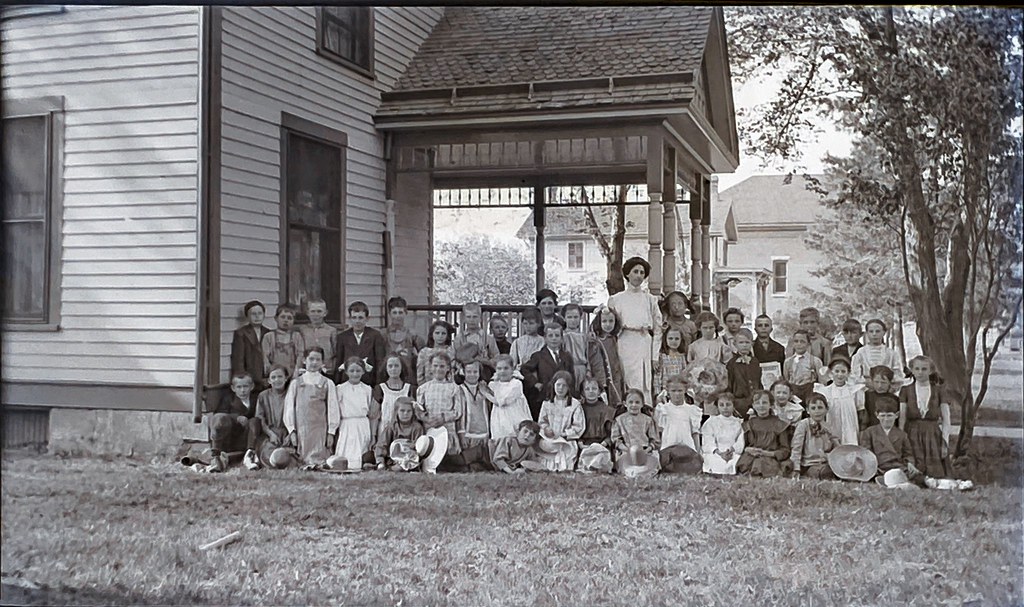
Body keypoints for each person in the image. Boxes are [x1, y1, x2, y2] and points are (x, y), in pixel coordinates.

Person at [606, 257, 663, 406]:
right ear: (627, 274)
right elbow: (610, 327)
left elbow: (658, 329)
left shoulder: (650, 299)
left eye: (642, 273)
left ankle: (645, 412)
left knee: (644, 381)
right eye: (635, 271)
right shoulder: (616, 299)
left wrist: (655, 356)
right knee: (626, 378)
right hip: (624, 341)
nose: (638, 275)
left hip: (644, 341)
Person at [283, 347, 339, 467]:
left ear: (322, 362)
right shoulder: (296, 383)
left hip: (319, 427)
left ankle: (318, 464)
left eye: (318, 359)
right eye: (311, 359)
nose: (314, 362)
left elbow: (333, 408)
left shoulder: (327, 383)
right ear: (304, 360)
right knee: (301, 454)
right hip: (302, 427)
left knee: (320, 453)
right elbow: (289, 408)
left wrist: (331, 432)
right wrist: (292, 430)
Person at [898, 355, 952, 478]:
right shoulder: (906, 390)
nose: (920, 372)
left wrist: (945, 442)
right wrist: (901, 439)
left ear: (931, 371)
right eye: (916, 369)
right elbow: (902, 418)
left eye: (924, 369)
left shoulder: (939, 391)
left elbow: (946, 419)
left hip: (932, 434)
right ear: (911, 370)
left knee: (934, 472)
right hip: (912, 433)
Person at [415, 351, 465, 471]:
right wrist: (426, 418)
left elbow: (458, 411)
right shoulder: (423, 388)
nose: (438, 369)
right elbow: (419, 409)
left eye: (442, 366)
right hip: (430, 427)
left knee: (450, 462)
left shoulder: (454, 388)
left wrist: (443, 418)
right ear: (430, 367)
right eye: (435, 365)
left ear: (448, 368)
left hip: (447, 428)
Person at [520, 322, 575, 421]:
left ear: (562, 339)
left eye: (557, 335)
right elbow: (524, 369)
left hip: (563, 394)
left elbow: (571, 376)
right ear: (545, 338)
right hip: (545, 394)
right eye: (550, 336)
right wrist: (535, 383)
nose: (554, 338)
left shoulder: (567, 356)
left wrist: (573, 393)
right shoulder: (538, 356)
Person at [208, 372, 262, 472]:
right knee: (220, 417)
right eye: (239, 387)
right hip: (231, 436)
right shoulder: (228, 399)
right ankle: (216, 457)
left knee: (255, 421)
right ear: (233, 388)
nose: (243, 390)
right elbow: (219, 416)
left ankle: (249, 455)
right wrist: (236, 418)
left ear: (252, 386)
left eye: (246, 386)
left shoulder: (256, 399)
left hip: (248, 437)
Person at [858, 394, 920, 480]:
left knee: (916, 476)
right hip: (878, 467)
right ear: (877, 415)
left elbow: (908, 454)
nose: (886, 419)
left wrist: (910, 463)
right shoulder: (869, 432)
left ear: (897, 415)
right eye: (883, 415)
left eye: (889, 415)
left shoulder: (902, 435)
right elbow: (866, 453)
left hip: (897, 467)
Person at [335, 356, 380, 472]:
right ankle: (344, 465)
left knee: (362, 446)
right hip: (347, 424)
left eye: (358, 371)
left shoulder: (367, 389)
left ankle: (361, 465)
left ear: (363, 372)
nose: (355, 374)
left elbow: (372, 413)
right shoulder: (340, 389)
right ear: (346, 372)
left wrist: (373, 434)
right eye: (352, 371)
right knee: (347, 446)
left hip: (362, 424)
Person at [536, 370, 585, 471]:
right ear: (553, 385)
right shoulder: (547, 403)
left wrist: (564, 434)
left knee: (565, 447)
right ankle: (550, 462)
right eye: (558, 385)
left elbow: (578, 426)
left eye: (564, 386)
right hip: (550, 439)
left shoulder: (575, 404)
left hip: (566, 439)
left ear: (569, 388)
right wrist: (546, 428)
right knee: (544, 444)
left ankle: (562, 462)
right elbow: (542, 421)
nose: (560, 388)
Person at [735, 390, 792, 477]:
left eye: (764, 402)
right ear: (753, 406)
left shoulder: (779, 424)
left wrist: (766, 453)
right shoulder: (749, 424)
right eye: (757, 403)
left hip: (770, 458)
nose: (761, 406)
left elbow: (785, 451)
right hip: (750, 457)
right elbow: (742, 446)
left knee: (760, 464)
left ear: (771, 405)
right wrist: (748, 450)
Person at [654, 374, 703, 474]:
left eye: (680, 391)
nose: (677, 394)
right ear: (668, 391)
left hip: (687, 447)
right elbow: (659, 432)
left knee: (690, 463)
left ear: (685, 390)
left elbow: (695, 433)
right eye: (673, 391)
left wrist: (698, 452)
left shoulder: (691, 410)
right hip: (668, 447)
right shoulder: (663, 409)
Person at [335, 301, 387, 386]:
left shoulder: (375, 336)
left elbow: (380, 362)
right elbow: (339, 362)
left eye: (360, 318)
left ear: (367, 318)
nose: (357, 321)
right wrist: (337, 384)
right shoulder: (343, 337)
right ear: (350, 319)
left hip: (369, 381)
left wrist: (378, 385)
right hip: (347, 381)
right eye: (354, 318)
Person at [790, 392, 841, 479]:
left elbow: (837, 447)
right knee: (824, 473)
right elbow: (796, 448)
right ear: (808, 410)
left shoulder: (829, 427)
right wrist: (796, 468)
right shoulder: (804, 424)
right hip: (809, 464)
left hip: (825, 462)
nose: (817, 411)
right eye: (813, 408)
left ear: (826, 409)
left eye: (820, 408)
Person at [815, 357, 865, 445]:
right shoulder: (825, 391)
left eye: (843, 371)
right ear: (831, 373)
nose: (840, 375)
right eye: (837, 371)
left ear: (848, 373)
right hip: (832, 423)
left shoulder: (854, 390)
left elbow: (860, 410)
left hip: (850, 425)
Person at [610, 388, 661, 473]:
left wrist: (647, 449)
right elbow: (616, 439)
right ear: (625, 404)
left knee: (649, 466)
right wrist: (626, 449)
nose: (634, 405)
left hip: (645, 451)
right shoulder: (619, 420)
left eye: (637, 402)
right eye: (630, 402)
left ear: (642, 404)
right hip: (626, 450)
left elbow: (654, 439)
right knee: (629, 468)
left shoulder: (648, 420)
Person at [255, 365, 294, 468]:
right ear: (269, 380)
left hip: (287, 432)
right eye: (273, 377)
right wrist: (270, 434)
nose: (277, 380)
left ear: (286, 378)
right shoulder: (263, 396)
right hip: (270, 433)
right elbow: (261, 418)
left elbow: (298, 417)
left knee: (293, 454)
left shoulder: (291, 394)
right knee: (268, 454)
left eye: (280, 377)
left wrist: (291, 434)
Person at [488, 354, 533, 441]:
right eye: (499, 369)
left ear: (512, 369)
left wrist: (485, 393)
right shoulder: (493, 384)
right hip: (499, 419)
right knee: (500, 441)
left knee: (514, 440)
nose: (502, 371)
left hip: (515, 417)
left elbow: (502, 402)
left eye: (506, 368)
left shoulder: (516, 384)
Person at [458, 360, 493, 471]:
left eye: (475, 372)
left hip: (484, 431)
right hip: (468, 431)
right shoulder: (459, 389)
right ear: (463, 372)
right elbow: (459, 412)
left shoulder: (485, 388)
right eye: (469, 372)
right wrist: (462, 432)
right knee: (469, 458)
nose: (472, 374)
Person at [374, 396, 425, 471]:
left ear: (413, 412)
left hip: (411, 459)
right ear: (396, 412)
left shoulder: (417, 428)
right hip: (394, 460)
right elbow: (381, 446)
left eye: (409, 411)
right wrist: (380, 461)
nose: (405, 414)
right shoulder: (391, 427)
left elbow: (420, 448)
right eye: (402, 410)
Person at [452, 301, 500, 381]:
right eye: (468, 317)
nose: (471, 320)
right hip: (464, 372)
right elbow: (454, 357)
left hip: (484, 371)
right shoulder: (459, 338)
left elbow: (496, 356)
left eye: (475, 317)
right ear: (464, 318)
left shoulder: (488, 338)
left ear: (480, 318)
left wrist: (487, 361)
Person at [700, 393, 745, 475]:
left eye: (728, 405)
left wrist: (732, 450)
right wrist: (719, 452)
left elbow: (740, 440)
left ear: (733, 406)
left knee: (735, 461)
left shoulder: (739, 422)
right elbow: (708, 440)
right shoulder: (711, 422)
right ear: (717, 407)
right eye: (721, 405)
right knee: (716, 461)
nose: (725, 408)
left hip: (733, 452)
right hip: (716, 452)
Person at [850, 318, 903, 386]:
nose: (874, 334)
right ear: (867, 333)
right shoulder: (861, 352)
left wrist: (887, 382)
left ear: (883, 332)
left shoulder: (891, 353)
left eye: (877, 331)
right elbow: (854, 376)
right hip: (866, 388)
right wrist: (866, 382)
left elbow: (898, 375)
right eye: (871, 331)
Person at [383, 296, 423, 385]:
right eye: (394, 313)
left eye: (400, 312)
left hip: (408, 376)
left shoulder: (412, 334)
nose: (397, 316)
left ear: (405, 313)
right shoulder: (383, 334)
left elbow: (423, 353)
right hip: (388, 375)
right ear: (389, 314)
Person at [590, 304, 624, 406]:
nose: (608, 324)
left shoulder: (615, 339)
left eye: (611, 321)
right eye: (604, 321)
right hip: (604, 374)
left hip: (616, 373)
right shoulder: (596, 341)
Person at [231, 300, 270, 391]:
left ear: (264, 315)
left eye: (260, 313)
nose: (257, 316)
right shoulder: (241, 333)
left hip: (266, 378)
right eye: (253, 314)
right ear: (247, 316)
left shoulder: (268, 333)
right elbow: (238, 360)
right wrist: (243, 379)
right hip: (250, 377)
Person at [373, 354, 416, 429]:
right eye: (390, 366)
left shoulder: (410, 389)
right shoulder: (380, 389)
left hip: (405, 431)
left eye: (396, 366)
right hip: (385, 430)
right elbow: (375, 416)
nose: (393, 369)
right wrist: (373, 436)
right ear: (386, 368)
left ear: (401, 368)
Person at [262, 304, 305, 378]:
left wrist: (296, 372)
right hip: (275, 375)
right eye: (282, 317)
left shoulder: (297, 336)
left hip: (293, 374)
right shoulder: (269, 336)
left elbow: (300, 355)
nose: (286, 320)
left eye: (289, 318)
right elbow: (265, 357)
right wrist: (271, 373)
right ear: (276, 318)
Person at [726, 328, 761, 417]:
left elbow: (758, 380)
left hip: (755, 400)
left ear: (752, 344)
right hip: (739, 401)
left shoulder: (755, 361)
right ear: (735, 344)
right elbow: (729, 383)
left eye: (747, 342)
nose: (744, 345)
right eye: (741, 343)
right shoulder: (732, 363)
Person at [298, 299, 338, 375]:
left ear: (325, 313)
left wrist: (332, 368)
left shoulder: (331, 330)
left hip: (327, 370)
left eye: (319, 311)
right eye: (313, 311)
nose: (316, 314)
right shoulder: (303, 330)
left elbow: (335, 352)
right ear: (308, 312)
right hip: (307, 369)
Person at [783, 329, 823, 403]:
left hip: (810, 394)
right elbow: (786, 380)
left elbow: (821, 383)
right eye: (796, 341)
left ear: (808, 344)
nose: (799, 344)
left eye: (802, 341)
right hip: (794, 396)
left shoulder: (815, 361)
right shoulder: (788, 362)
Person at [416, 320, 456, 386]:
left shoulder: (451, 351)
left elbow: (452, 373)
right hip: (428, 387)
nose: (440, 336)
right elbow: (420, 375)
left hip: (447, 387)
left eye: (443, 333)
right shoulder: (424, 352)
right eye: (437, 333)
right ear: (432, 334)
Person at [579, 376, 615, 447]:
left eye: (594, 388)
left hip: (603, 444)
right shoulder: (579, 410)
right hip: (584, 445)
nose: (591, 391)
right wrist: (580, 442)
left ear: (599, 391)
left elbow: (612, 433)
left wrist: (605, 442)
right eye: (587, 389)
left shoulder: (607, 410)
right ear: (582, 392)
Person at [655, 327, 688, 398]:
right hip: (665, 391)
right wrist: (657, 393)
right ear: (665, 340)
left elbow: (685, 375)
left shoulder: (682, 357)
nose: (674, 341)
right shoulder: (662, 357)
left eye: (677, 339)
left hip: (679, 391)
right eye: (670, 338)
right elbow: (657, 377)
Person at [861, 365, 895, 430]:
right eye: (876, 382)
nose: (879, 386)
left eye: (883, 383)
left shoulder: (894, 399)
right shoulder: (866, 396)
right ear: (872, 381)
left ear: (890, 382)